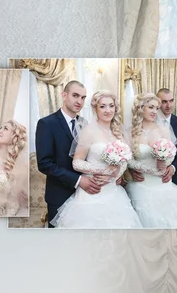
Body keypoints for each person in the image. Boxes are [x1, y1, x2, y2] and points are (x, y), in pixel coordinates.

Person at [50, 90, 142, 229]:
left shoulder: (118, 133)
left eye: (111, 106)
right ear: (95, 109)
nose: (108, 110)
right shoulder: (88, 131)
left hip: (114, 192)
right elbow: (77, 162)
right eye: (103, 106)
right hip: (92, 189)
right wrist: (104, 171)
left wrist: (116, 174)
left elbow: (125, 160)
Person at [35, 81, 118, 228]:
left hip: (89, 193)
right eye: (75, 96)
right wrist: (78, 180)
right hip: (60, 193)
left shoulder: (85, 123)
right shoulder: (47, 123)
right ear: (64, 95)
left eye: (83, 97)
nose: (79, 101)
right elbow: (44, 164)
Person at [124, 93, 177, 228]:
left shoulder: (163, 130)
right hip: (141, 185)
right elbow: (128, 159)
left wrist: (166, 163)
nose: (155, 111)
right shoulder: (130, 132)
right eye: (151, 107)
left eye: (156, 108)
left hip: (162, 184)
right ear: (141, 108)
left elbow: (172, 155)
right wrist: (139, 169)